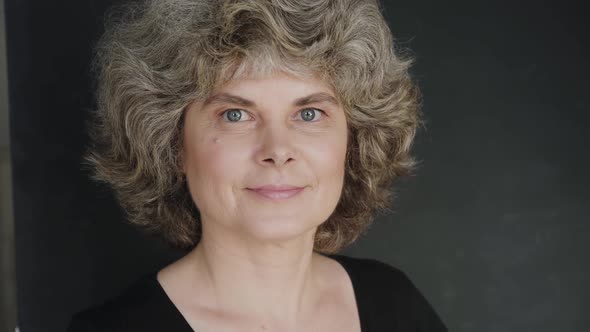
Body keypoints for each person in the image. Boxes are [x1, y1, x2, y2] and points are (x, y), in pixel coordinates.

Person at [67, 0, 448, 331]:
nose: (278, 150)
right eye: (235, 114)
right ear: (172, 146)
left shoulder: (398, 306)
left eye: (310, 113)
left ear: (353, 141)